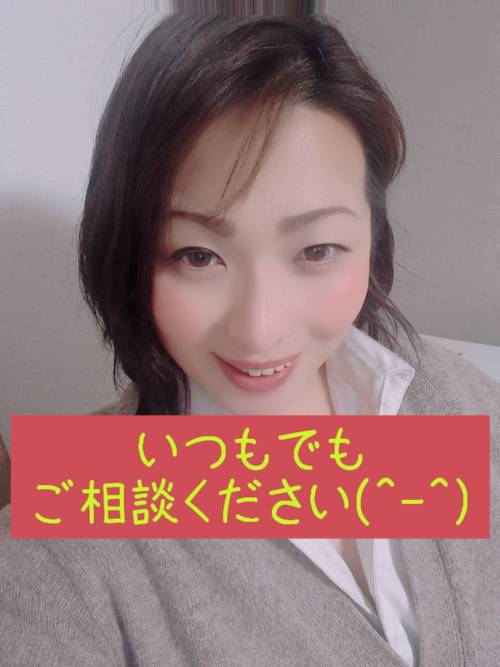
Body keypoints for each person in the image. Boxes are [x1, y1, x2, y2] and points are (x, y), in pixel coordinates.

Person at [1, 6, 499, 666]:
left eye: (317, 249)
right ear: (128, 253)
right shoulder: (61, 547)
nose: (260, 330)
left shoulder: (457, 397)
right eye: (197, 255)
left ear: (372, 239)